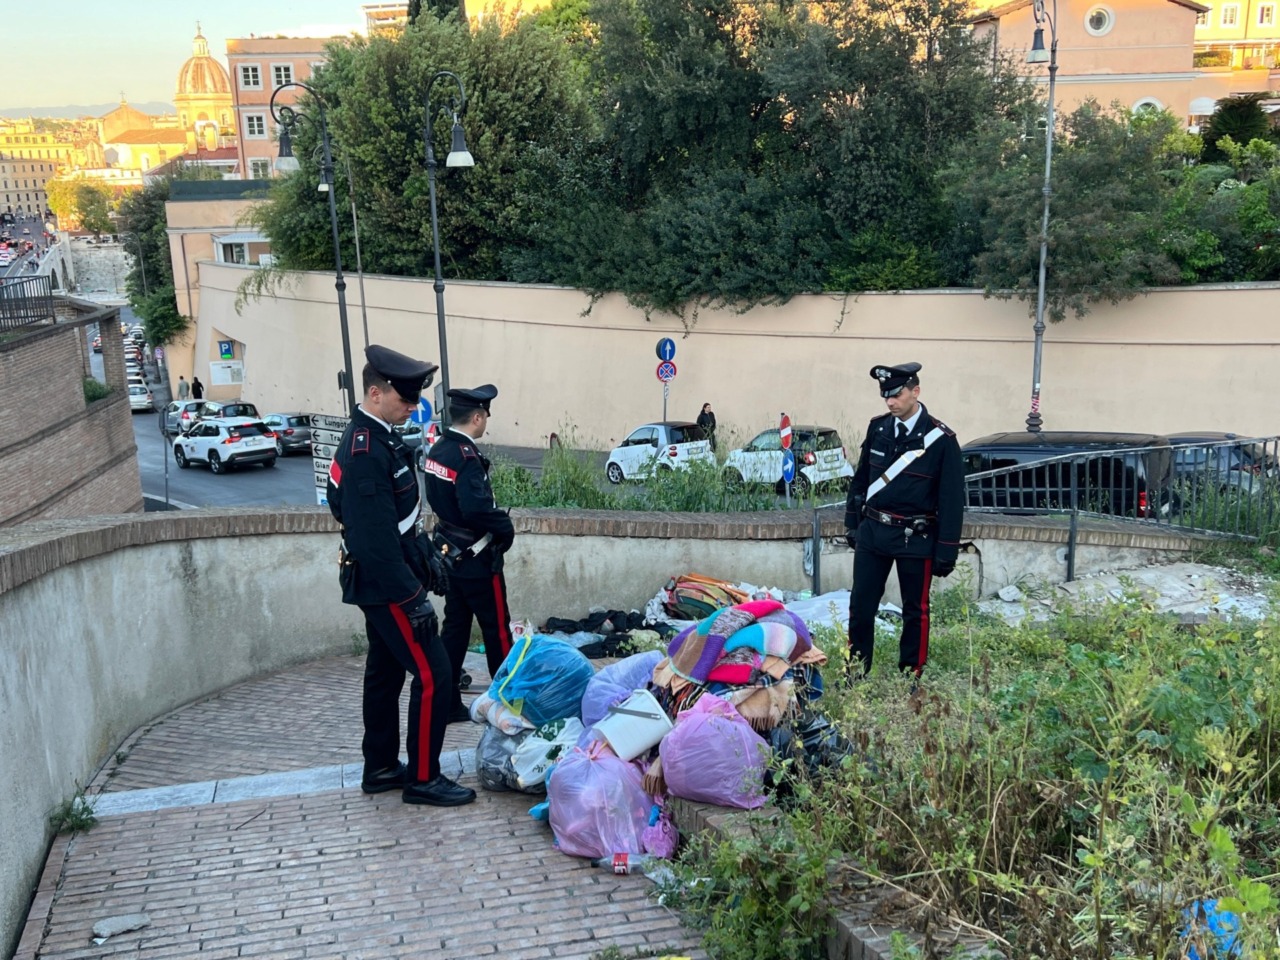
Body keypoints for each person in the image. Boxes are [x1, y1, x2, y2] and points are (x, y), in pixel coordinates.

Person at [327, 345, 475, 807]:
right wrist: (412, 598)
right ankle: (424, 778)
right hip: (384, 582)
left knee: (386, 671)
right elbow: (373, 540)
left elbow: (398, 520)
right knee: (436, 673)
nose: (413, 407)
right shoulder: (365, 449)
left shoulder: (380, 437)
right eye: (405, 399)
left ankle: (382, 767)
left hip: (386, 577)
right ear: (375, 392)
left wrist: (425, 555)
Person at [844, 363, 963, 679]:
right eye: (886, 396)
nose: (890, 402)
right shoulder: (879, 428)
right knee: (860, 606)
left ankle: (911, 674)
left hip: (915, 535)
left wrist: (947, 551)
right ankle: (856, 672)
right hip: (873, 531)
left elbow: (952, 501)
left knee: (916, 612)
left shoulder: (941, 439)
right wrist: (852, 524)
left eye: (896, 395)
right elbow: (861, 480)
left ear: (915, 392)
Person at [423, 385, 516, 721]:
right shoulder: (466, 457)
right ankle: (508, 702)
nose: (486, 421)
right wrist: (505, 530)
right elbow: (476, 508)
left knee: (456, 630)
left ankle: (446, 703)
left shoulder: (438, 450)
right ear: (477, 417)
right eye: (486, 415)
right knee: (498, 631)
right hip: (477, 559)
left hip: (449, 554)